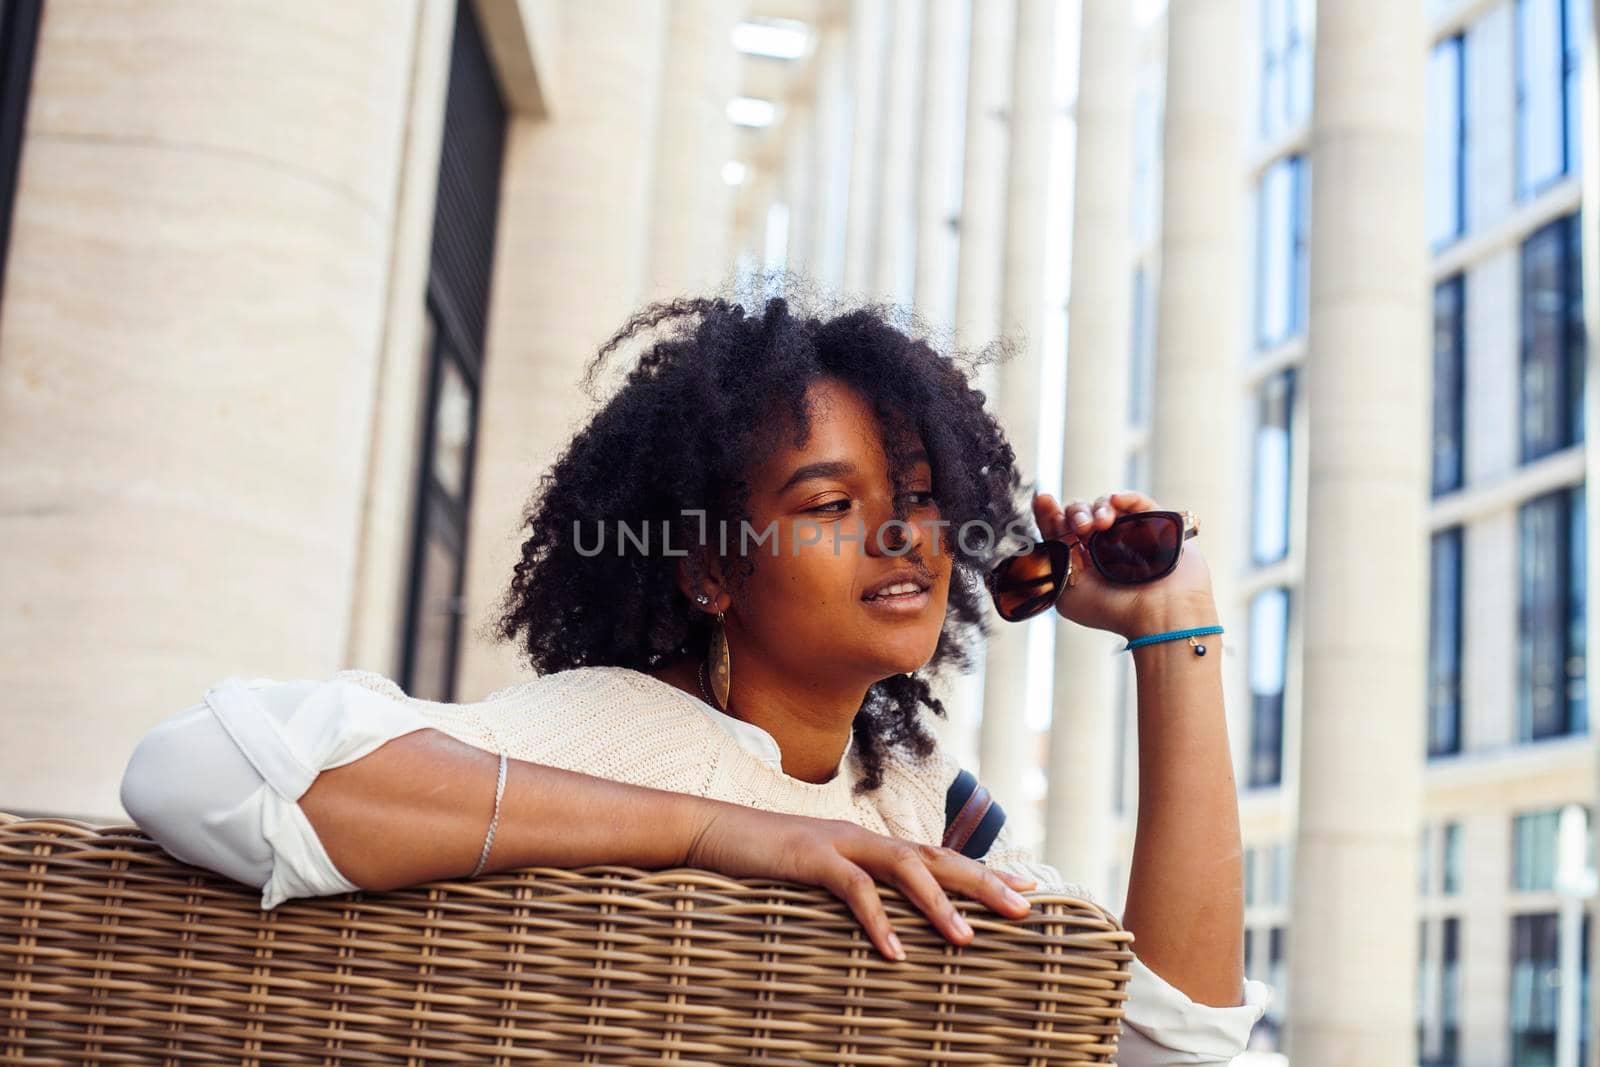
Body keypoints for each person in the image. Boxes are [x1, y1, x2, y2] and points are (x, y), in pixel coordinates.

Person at [120, 291, 1272, 1064]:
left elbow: (1165, 1048)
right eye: (832, 504)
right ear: (713, 567)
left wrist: (1175, 629)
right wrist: (719, 831)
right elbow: (192, 770)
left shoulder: (919, 802)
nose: (902, 535)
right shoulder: (612, 728)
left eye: (918, 495)